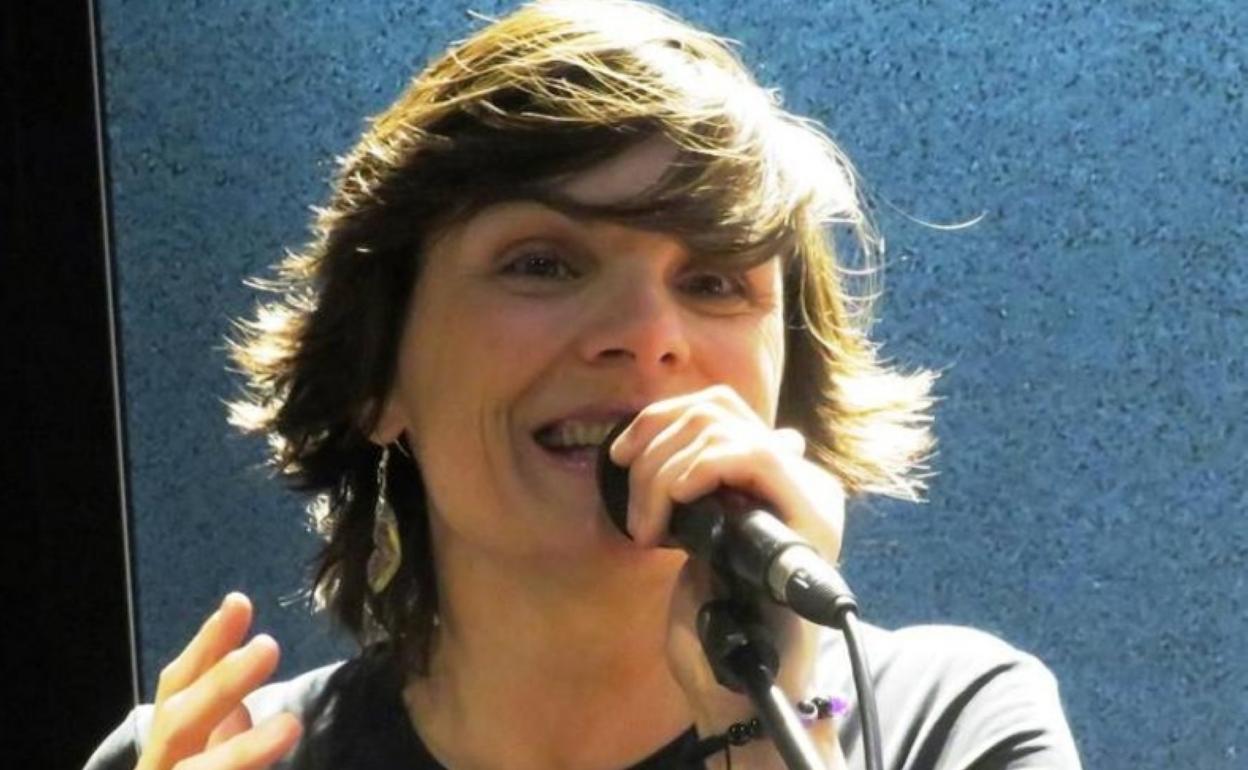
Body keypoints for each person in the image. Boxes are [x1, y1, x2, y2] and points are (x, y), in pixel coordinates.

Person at [86, 1, 1082, 768]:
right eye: (543, 263)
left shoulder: (955, 725)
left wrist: (764, 731)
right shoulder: (199, 754)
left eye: (713, 281)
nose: (646, 337)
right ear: (377, 372)